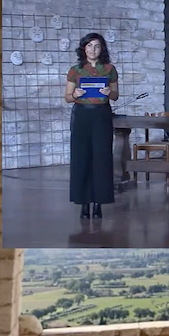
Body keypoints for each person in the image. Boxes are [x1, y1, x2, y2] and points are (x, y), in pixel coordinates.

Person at [64, 33, 118, 232]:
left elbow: (116, 95)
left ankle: (99, 204)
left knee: (102, 159)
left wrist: (108, 93)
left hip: (101, 116)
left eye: (96, 46)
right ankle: (84, 204)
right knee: (82, 158)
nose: (92, 50)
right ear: (83, 48)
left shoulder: (110, 70)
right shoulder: (75, 70)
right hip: (81, 117)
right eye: (89, 46)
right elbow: (67, 97)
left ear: (101, 49)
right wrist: (75, 94)